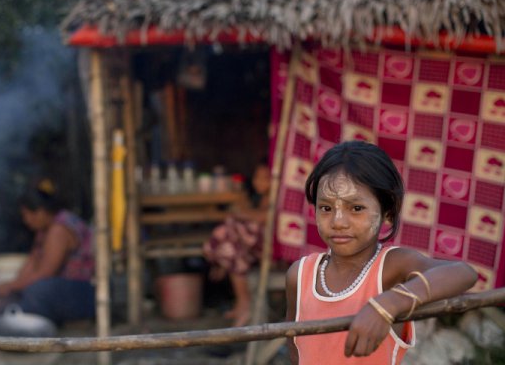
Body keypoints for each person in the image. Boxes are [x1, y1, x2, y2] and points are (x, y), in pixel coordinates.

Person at [285, 141, 477, 364]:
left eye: (356, 208)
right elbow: (295, 349)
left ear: (387, 213)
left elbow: (463, 273)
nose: (338, 222)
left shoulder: (392, 268)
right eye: (326, 208)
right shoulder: (299, 275)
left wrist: (388, 304)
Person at [0, 180, 95, 325]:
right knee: (22, 293)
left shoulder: (59, 230)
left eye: (27, 215)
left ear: (41, 212)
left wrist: (12, 286)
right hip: (63, 290)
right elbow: (32, 263)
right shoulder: (43, 230)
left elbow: (46, 273)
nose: (26, 220)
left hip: (84, 292)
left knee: (39, 290)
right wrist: (13, 285)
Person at [203, 158, 271, 327]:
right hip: (252, 247)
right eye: (257, 177)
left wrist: (239, 215)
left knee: (230, 235)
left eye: (265, 178)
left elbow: (265, 218)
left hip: (269, 249)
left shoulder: (277, 198)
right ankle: (242, 302)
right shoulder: (260, 199)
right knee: (231, 245)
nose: (258, 182)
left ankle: (243, 301)